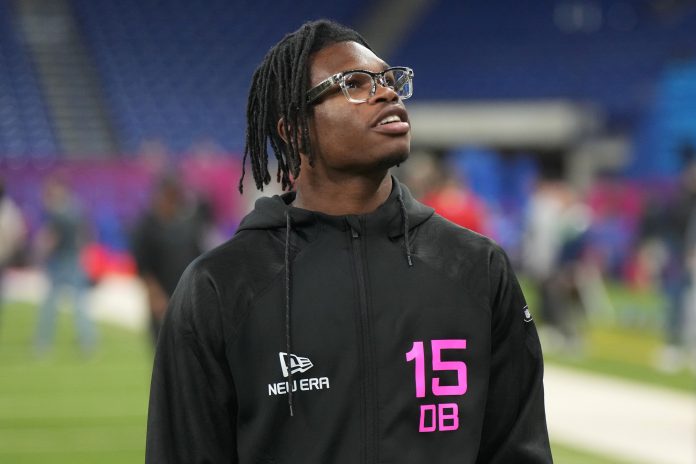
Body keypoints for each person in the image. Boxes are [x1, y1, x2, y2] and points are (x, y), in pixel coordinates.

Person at [146, 20, 551, 463]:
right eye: (354, 84)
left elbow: (517, 450)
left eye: (388, 79)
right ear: (294, 130)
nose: (386, 93)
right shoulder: (221, 286)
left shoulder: (476, 266)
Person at [131, 175, 205, 346]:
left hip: (187, 296)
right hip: (162, 296)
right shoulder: (147, 226)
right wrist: (155, 296)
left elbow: (199, 257)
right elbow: (143, 265)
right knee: (163, 349)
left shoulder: (188, 225)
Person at [34, 175, 95, 355]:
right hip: (74, 259)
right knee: (79, 304)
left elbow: (51, 239)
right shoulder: (77, 208)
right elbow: (86, 235)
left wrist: (40, 254)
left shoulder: (57, 213)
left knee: (51, 305)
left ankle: (43, 343)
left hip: (61, 261)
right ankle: (88, 342)